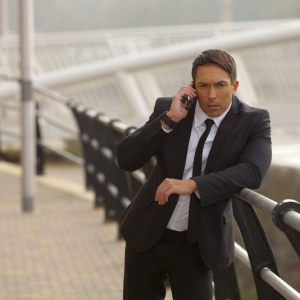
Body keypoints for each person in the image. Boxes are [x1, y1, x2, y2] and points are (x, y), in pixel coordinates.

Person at [117, 49, 272, 300]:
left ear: (235, 86)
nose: (211, 95)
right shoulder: (168, 108)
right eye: (203, 86)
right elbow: (126, 159)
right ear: (193, 87)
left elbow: (253, 171)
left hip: (197, 244)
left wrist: (193, 185)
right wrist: (169, 120)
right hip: (147, 232)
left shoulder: (253, 121)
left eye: (220, 85)